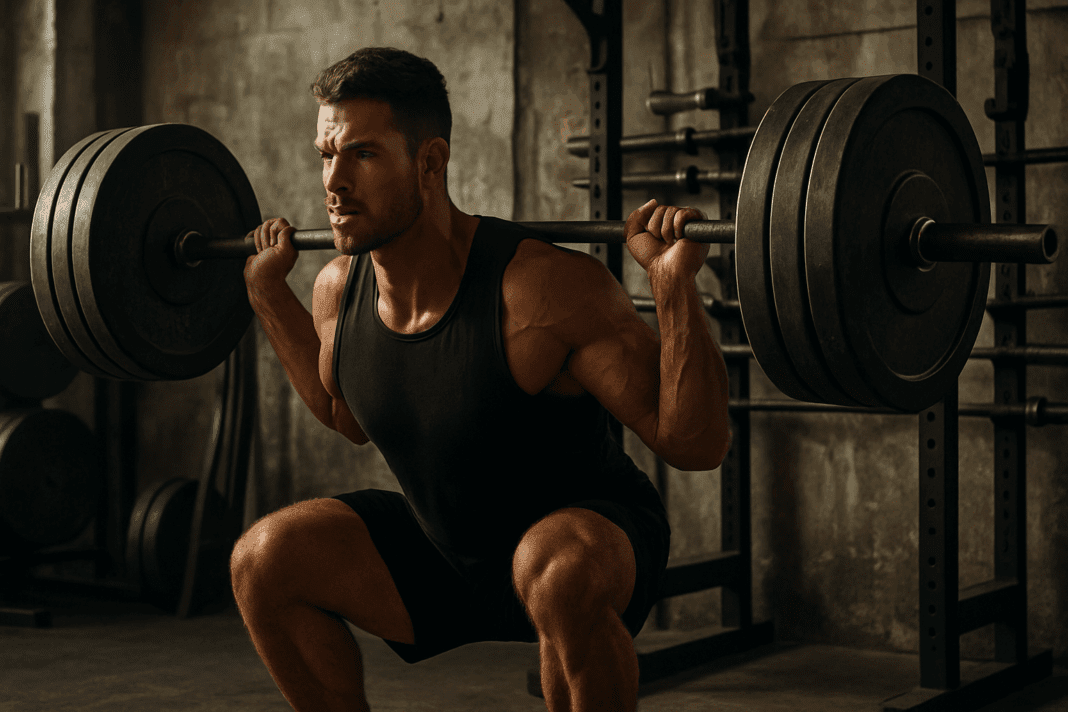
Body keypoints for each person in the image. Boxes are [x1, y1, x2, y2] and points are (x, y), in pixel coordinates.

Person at [232, 46, 731, 712]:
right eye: (327, 154)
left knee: (551, 571)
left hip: (584, 546)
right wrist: (269, 298)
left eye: (364, 154)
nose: (335, 181)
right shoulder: (335, 290)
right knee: (262, 558)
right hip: (445, 550)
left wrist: (672, 287)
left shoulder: (544, 290)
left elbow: (695, 445)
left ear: (430, 162)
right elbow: (343, 414)